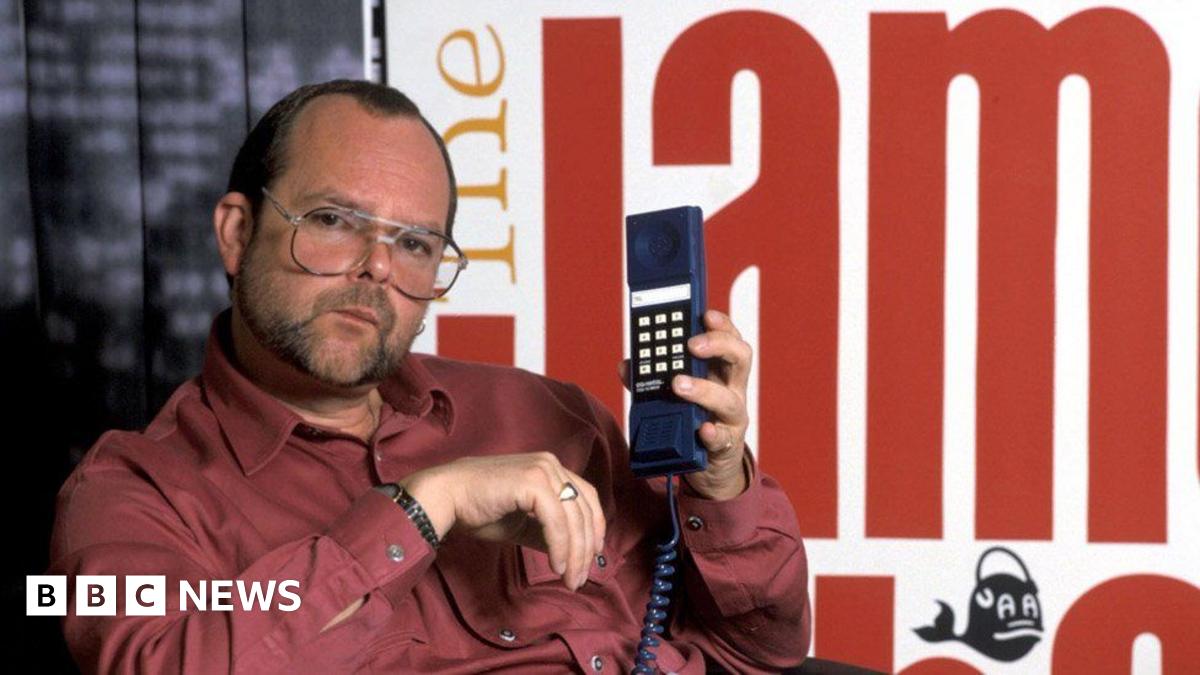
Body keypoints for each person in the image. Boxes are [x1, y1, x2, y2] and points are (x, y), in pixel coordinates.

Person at [49, 80, 811, 674]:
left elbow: (760, 651)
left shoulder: (549, 413)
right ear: (237, 233)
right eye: (333, 220)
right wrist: (422, 508)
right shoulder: (132, 492)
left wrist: (717, 486)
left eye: (415, 243)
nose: (378, 267)